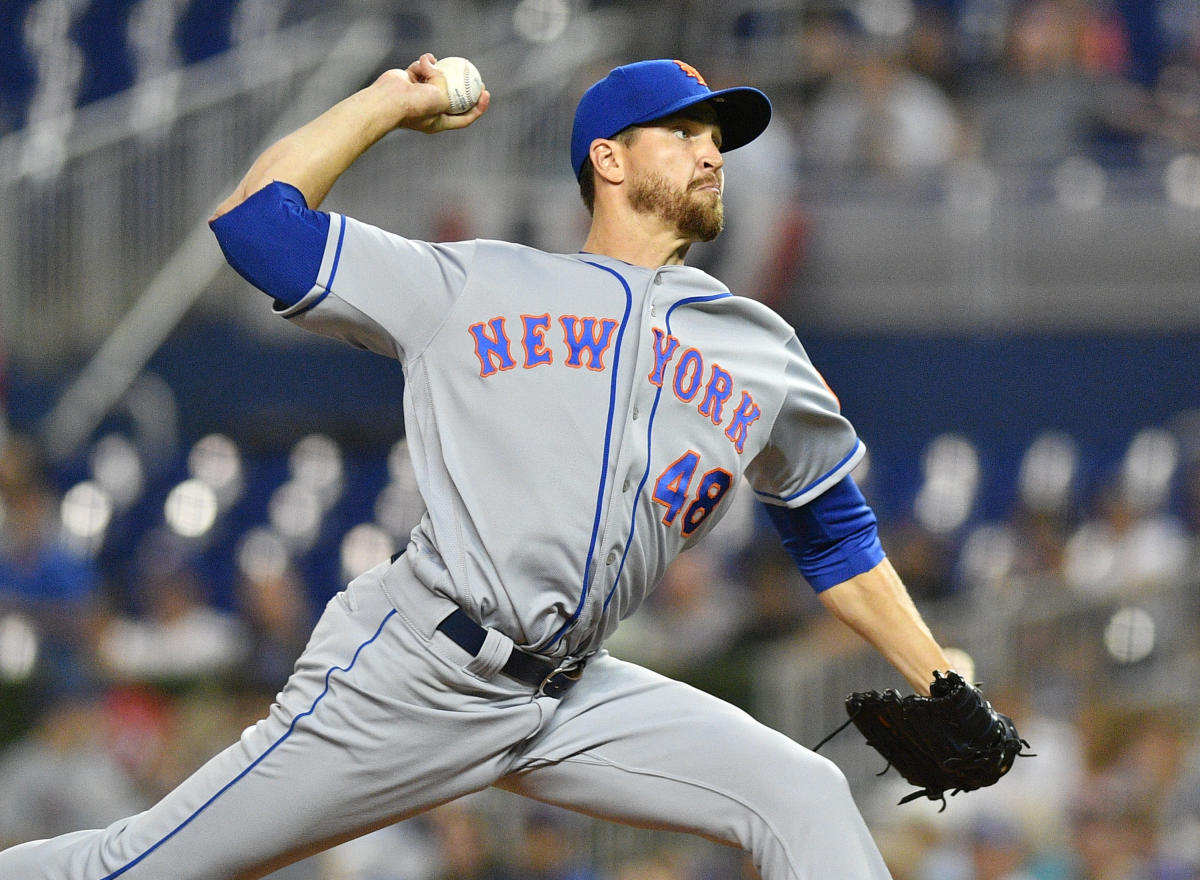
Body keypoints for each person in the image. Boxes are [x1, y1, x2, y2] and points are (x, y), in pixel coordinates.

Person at [0, 55, 968, 879]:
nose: (713, 150)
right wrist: (389, 102)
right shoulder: (474, 284)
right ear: (610, 157)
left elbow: (834, 530)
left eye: (718, 134)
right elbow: (255, 224)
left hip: (570, 694)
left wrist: (938, 681)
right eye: (682, 132)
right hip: (420, 670)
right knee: (130, 865)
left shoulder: (759, 347)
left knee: (801, 793)